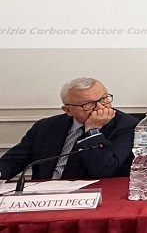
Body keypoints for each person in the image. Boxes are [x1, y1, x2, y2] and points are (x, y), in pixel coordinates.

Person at [0, 77, 137, 181]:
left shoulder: (126, 125)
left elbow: (105, 170)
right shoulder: (45, 127)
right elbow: (11, 162)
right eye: (88, 104)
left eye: (104, 99)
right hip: (42, 195)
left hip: (89, 197)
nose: (101, 107)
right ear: (68, 110)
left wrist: (92, 130)